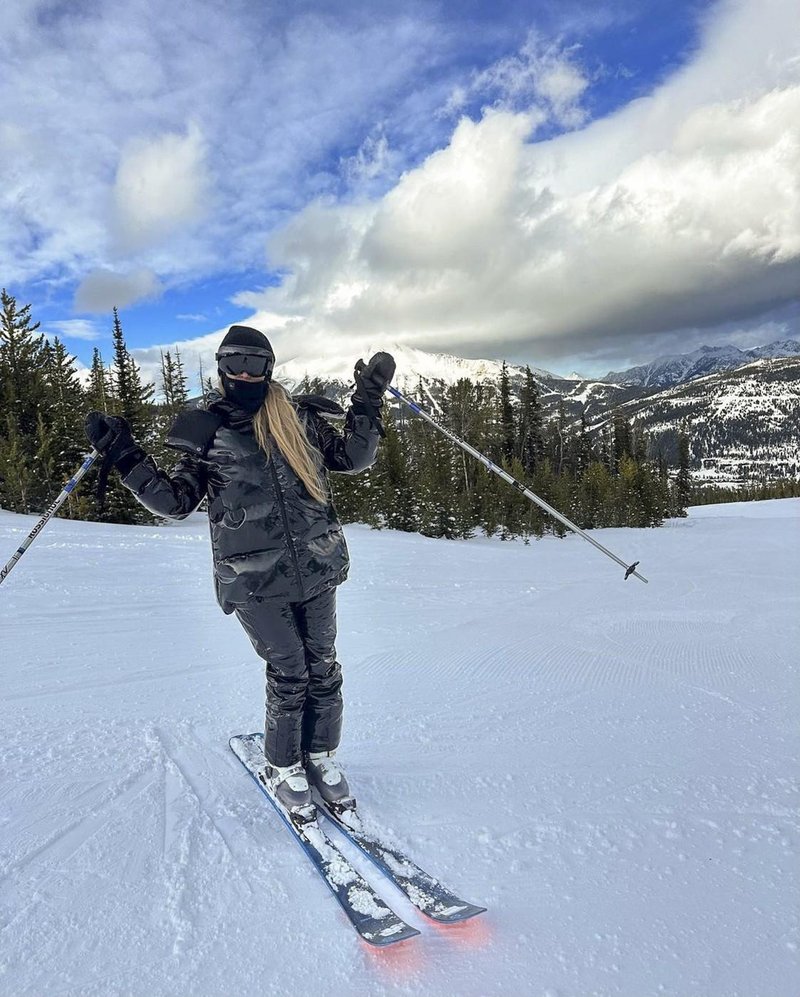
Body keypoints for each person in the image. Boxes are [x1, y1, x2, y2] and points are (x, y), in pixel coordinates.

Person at [85, 325, 395, 817]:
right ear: (221, 366)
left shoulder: (299, 417)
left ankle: (320, 755)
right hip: (252, 578)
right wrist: (125, 457)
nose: (244, 373)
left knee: (324, 668)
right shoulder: (205, 428)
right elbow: (174, 501)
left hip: (316, 564)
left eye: (254, 363)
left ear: (269, 367)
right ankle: (284, 764)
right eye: (233, 364)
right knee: (290, 669)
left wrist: (368, 402)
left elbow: (353, 458)